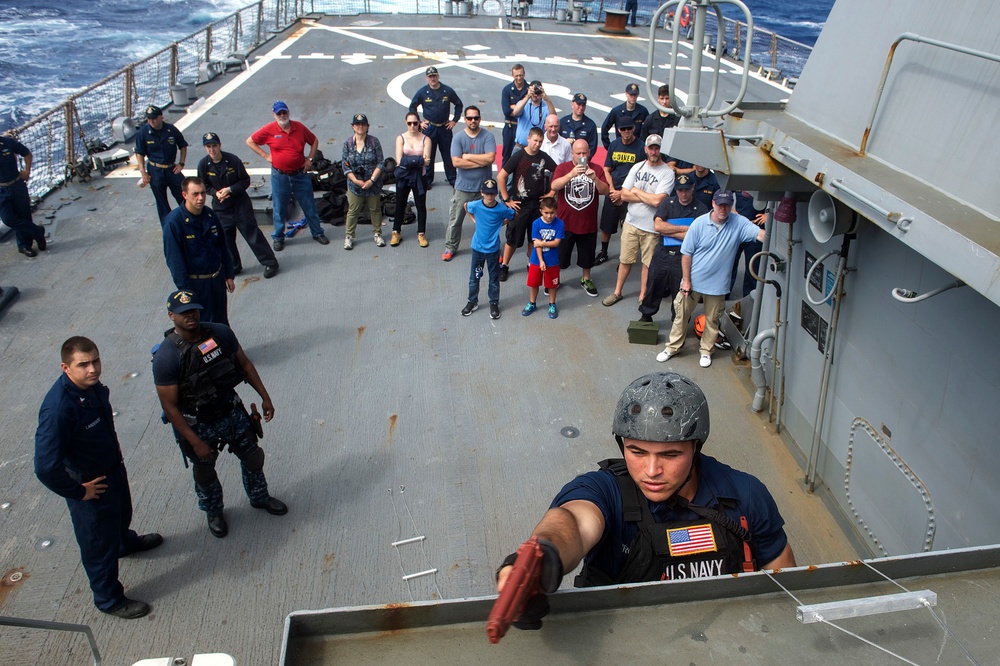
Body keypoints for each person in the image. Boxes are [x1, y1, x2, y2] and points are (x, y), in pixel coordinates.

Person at [497, 372, 795, 608]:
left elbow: (785, 588)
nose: (651, 471)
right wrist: (544, 554)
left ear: (696, 448)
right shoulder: (606, 491)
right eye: (637, 452)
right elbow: (572, 521)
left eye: (670, 455)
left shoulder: (746, 495)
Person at [35, 336, 162, 619]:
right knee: (97, 545)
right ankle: (109, 599)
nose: (92, 369)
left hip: (111, 470)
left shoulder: (91, 390)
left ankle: (124, 544)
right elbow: (45, 467)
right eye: (83, 364)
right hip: (91, 486)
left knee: (121, 515)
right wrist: (79, 492)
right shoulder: (59, 410)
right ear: (66, 368)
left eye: (95, 361)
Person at [152, 290, 287, 538]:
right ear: (171, 316)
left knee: (253, 456)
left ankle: (259, 497)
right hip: (198, 422)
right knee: (204, 470)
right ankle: (213, 511)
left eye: (193, 310)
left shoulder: (220, 333)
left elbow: (244, 364)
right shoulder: (167, 356)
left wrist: (265, 397)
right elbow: (170, 407)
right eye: (183, 313)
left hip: (229, 409)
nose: (190, 315)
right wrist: (195, 441)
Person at [657, 191, 767, 367]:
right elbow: (686, 254)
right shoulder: (699, 224)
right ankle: (672, 347)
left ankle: (706, 351)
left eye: (727, 205)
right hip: (693, 282)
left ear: (731, 206)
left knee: (712, 320)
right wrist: (686, 281)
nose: (723, 208)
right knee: (681, 315)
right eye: (720, 204)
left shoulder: (738, 223)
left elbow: (760, 235)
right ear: (713, 204)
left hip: (717, 286)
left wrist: (774, 222)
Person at [246, 100, 330, 250]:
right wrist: (266, 156)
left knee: (309, 205)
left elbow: (314, 140)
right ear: (274, 115)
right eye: (279, 113)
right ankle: (278, 236)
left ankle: (317, 232)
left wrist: (310, 159)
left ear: (288, 112)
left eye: (284, 112)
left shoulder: (299, 128)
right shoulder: (269, 129)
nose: (282, 115)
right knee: (279, 207)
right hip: (280, 176)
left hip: (300, 174)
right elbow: (250, 141)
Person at [602, 134, 674, 307]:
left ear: (660, 150)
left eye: (657, 148)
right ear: (646, 149)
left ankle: (643, 295)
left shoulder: (667, 173)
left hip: (651, 228)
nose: (654, 151)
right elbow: (624, 195)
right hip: (631, 222)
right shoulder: (637, 167)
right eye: (651, 148)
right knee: (625, 259)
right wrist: (645, 196)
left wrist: (637, 192)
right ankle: (617, 292)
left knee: (647, 264)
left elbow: (658, 201)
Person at [197, 132, 279, 279]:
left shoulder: (232, 160)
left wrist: (230, 189)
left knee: (252, 235)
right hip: (221, 208)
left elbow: (245, 181)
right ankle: (234, 266)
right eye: (208, 146)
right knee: (226, 239)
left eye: (214, 146)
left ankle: (270, 262)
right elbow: (203, 185)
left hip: (240, 205)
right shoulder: (204, 165)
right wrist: (215, 193)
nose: (212, 150)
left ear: (220, 145)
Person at [162, 177, 235, 326]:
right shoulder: (174, 223)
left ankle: (225, 348)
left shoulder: (210, 215)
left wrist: (228, 275)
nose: (201, 198)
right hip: (196, 285)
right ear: (184, 195)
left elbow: (222, 246)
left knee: (221, 321)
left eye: (202, 193)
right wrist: (187, 293)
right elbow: (175, 262)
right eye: (195, 194)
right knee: (203, 325)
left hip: (216, 280)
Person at [638, 174, 709, 323]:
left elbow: (696, 237)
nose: (683, 194)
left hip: (683, 258)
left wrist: (668, 230)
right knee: (654, 286)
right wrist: (684, 229)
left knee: (680, 292)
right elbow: (657, 226)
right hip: (662, 254)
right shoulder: (668, 203)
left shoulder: (701, 208)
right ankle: (646, 316)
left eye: (686, 190)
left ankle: (678, 323)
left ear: (693, 188)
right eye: (680, 190)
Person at [497, 127, 557, 282]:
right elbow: (501, 176)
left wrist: (551, 193)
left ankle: (532, 264)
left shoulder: (543, 157)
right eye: (535, 140)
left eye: (540, 141)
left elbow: (558, 172)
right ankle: (504, 265)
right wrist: (506, 199)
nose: (537, 144)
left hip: (537, 205)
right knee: (513, 238)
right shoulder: (518, 156)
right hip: (519, 205)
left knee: (533, 237)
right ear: (528, 139)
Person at [550, 139, 609, 298]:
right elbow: (554, 186)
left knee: (587, 257)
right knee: (560, 257)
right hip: (565, 224)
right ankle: (555, 279)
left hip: (587, 224)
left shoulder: (596, 169)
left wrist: (595, 179)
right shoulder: (563, 168)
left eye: (584, 153)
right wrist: (571, 174)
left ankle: (586, 279)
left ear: (589, 153)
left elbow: (605, 191)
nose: (582, 156)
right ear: (572, 153)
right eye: (578, 153)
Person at [442, 105, 496, 260]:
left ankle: (489, 247)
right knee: (455, 220)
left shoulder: (487, 137)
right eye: (470, 118)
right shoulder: (458, 138)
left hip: (484, 189)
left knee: (487, 221)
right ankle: (450, 247)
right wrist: (480, 162)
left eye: (476, 118)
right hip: (463, 188)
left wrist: (467, 156)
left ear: (480, 119)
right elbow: (456, 162)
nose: (473, 121)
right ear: (465, 119)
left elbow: (490, 158)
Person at [462, 179, 514, 319]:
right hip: (477, 248)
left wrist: (500, 224)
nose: (490, 197)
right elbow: (466, 206)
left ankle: (494, 302)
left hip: (492, 250)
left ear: (496, 194)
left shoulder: (501, 209)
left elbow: (511, 216)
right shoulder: (476, 205)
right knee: (475, 277)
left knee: (493, 278)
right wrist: (474, 220)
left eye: (492, 194)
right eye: (487, 194)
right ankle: (472, 301)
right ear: (481, 193)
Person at [597, 115, 644, 265]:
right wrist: (612, 189)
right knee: (606, 226)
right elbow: (607, 169)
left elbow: (641, 176)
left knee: (627, 229)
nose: (626, 132)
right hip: (613, 192)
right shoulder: (614, 145)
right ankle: (603, 252)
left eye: (629, 128)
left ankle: (624, 258)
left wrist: (623, 195)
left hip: (629, 195)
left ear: (634, 128)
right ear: (619, 130)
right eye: (623, 129)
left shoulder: (641, 148)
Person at [408, 66, 463, 187]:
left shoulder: (447, 91)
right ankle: (427, 179)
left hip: (445, 128)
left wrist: (454, 121)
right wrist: (419, 122)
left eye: (434, 76)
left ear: (438, 76)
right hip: (429, 129)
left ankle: (452, 179)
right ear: (426, 78)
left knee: (448, 155)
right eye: (430, 76)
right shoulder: (422, 92)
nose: (432, 78)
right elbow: (412, 107)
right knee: (429, 155)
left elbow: (459, 104)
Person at [134, 105, 187, 225]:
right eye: (148, 119)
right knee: (161, 202)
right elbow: (139, 153)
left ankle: (188, 220)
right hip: (155, 170)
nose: (151, 121)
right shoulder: (143, 132)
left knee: (183, 196)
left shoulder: (171, 130)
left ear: (161, 117)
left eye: (154, 118)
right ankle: (168, 227)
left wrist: (181, 163)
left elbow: (182, 145)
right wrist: (143, 172)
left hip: (172, 168)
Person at [341, 113, 386, 250]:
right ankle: (349, 236)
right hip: (355, 185)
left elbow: (380, 162)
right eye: (357, 124)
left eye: (363, 124)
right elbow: (345, 166)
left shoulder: (374, 142)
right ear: (353, 126)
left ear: (367, 126)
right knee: (353, 210)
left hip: (373, 183)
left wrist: (372, 180)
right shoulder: (348, 144)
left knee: (375, 209)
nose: (360, 127)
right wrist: (356, 181)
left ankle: (377, 233)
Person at [0, 133, 47, 257]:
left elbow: (26, 153)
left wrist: (27, 171)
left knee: (24, 215)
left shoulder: (8, 143)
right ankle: (38, 232)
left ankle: (24, 246)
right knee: (8, 219)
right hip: (1, 190)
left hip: (17, 185)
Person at [392, 112, 431, 248]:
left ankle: (421, 233)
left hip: (420, 176)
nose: (413, 126)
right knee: (400, 204)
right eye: (410, 123)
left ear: (419, 123)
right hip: (404, 176)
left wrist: (409, 161)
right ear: (406, 123)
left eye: (415, 123)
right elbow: (398, 160)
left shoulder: (426, 139)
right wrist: (418, 160)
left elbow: (427, 162)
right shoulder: (401, 138)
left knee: (421, 205)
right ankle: (396, 231)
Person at [521, 197, 564, 319]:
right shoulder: (536, 224)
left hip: (552, 261)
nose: (549, 216)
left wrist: (542, 243)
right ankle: (532, 303)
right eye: (546, 213)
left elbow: (556, 243)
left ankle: (552, 304)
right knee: (534, 283)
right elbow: (536, 244)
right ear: (541, 211)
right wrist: (540, 261)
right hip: (535, 260)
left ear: (556, 211)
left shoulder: (560, 224)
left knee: (552, 284)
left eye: (552, 213)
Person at [730, 191, 768, 298]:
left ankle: (749, 295)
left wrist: (768, 215)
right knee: (730, 260)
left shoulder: (764, 182)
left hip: (755, 227)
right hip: (737, 226)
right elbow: (725, 188)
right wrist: (730, 208)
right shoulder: (741, 178)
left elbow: (777, 197)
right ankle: (724, 292)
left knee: (752, 262)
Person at [601, 83, 649, 149]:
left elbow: (648, 129)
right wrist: (609, 147)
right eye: (631, 94)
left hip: (637, 147)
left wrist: (643, 145)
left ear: (638, 95)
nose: (633, 97)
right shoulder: (616, 111)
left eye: (635, 95)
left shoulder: (643, 111)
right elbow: (604, 128)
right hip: (621, 147)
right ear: (626, 94)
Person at [512, 80, 554, 151]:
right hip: (520, 147)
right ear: (528, 90)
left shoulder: (546, 108)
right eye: (533, 91)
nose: (535, 94)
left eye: (537, 91)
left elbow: (553, 119)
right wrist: (527, 96)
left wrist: (547, 100)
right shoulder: (523, 103)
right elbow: (515, 112)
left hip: (536, 149)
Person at [500, 64, 529, 164]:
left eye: (520, 75)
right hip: (510, 127)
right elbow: (506, 111)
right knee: (507, 155)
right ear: (512, 75)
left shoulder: (530, 90)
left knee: (525, 156)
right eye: (516, 75)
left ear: (524, 74)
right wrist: (521, 109)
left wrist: (514, 107)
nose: (519, 78)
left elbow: (530, 111)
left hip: (525, 128)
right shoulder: (507, 90)